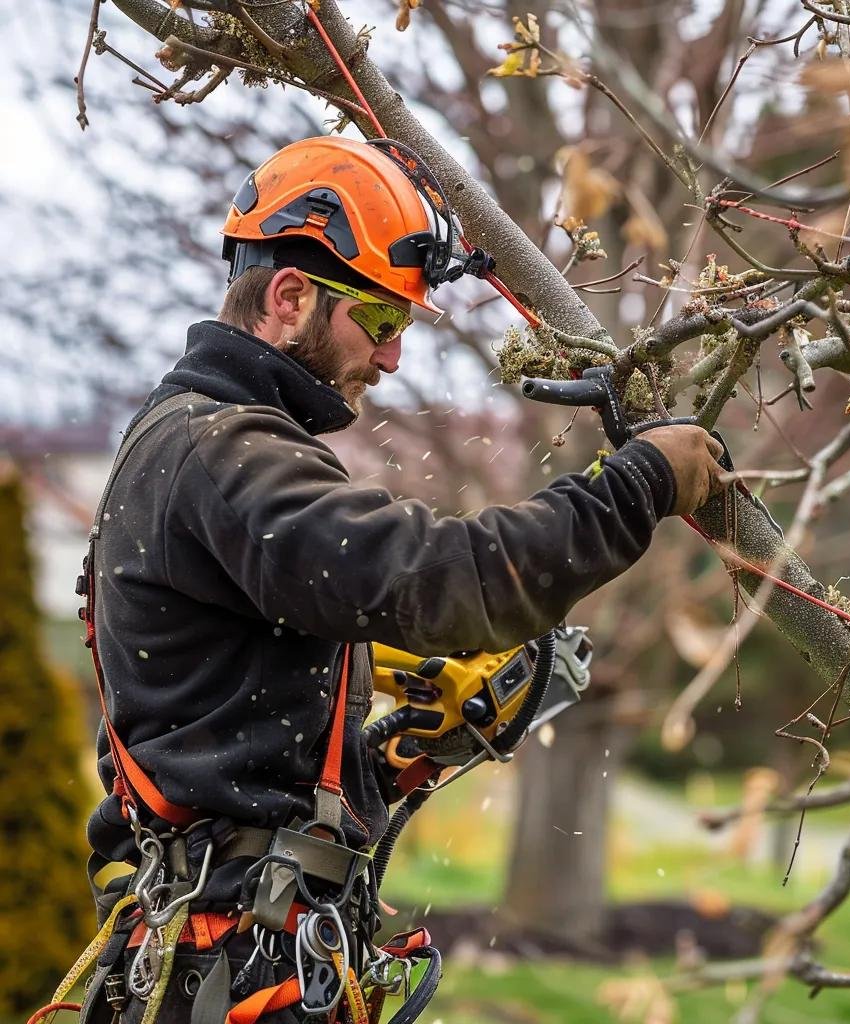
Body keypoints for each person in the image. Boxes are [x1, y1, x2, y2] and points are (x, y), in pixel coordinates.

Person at [76, 135, 724, 1023]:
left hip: (240, 943)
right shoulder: (225, 451)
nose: (391, 360)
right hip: (231, 962)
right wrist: (639, 485)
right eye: (381, 324)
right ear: (291, 296)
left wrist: (400, 742)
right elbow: (433, 577)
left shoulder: (186, 439)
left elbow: (232, 739)